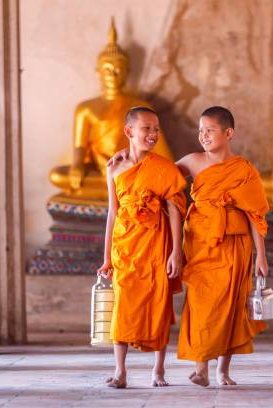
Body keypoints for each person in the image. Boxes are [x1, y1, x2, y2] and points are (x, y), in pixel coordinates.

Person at [108, 106, 270, 387]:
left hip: (234, 242)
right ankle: (201, 369)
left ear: (228, 133)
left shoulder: (244, 170)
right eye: (200, 131)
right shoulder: (192, 162)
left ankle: (221, 371)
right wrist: (123, 155)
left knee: (230, 305)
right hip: (200, 242)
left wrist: (262, 257)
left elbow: (255, 215)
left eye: (209, 130)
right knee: (201, 303)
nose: (203, 136)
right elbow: (157, 174)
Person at [98, 106, 186, 388]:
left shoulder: (164, 168)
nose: (153, 134)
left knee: (159, 304)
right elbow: (112, 212)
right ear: (129, 131)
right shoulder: (114, 167)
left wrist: (176, 251)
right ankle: (120, 371)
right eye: (146, 128)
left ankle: (158, 370)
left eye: (156, 129)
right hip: (125, 246)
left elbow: (175, 211)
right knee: (122, 305)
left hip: (156, 245)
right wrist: (106, 257)